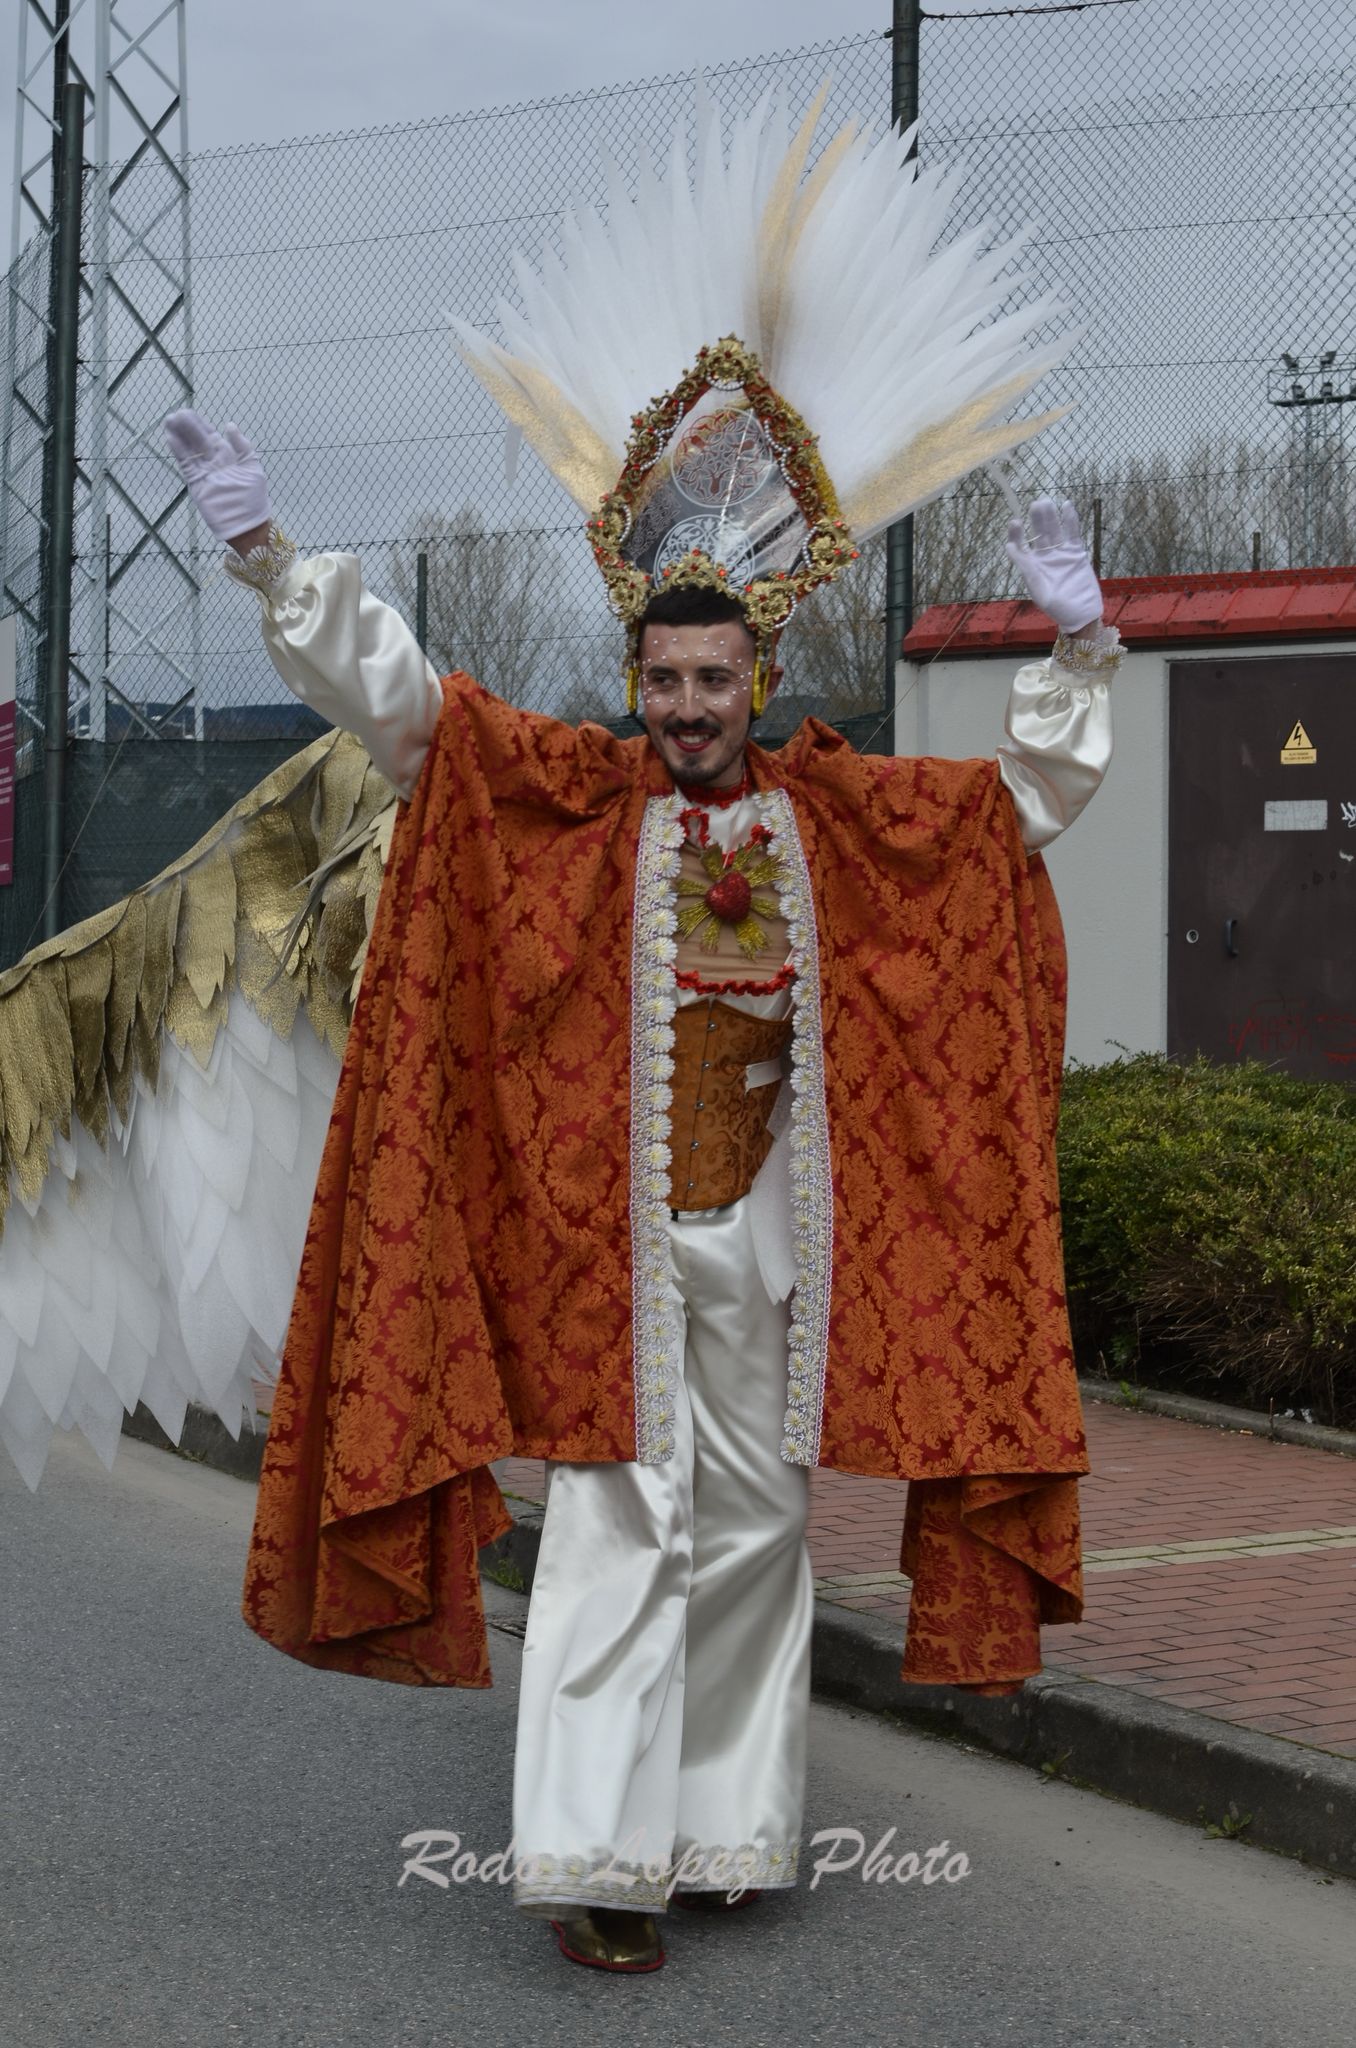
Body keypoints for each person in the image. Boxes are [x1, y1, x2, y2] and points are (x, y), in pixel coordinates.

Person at [168, 93, 1125, 1976]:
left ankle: (726, 1828)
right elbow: (412, 716)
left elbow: (1011, 818)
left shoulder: (837, 809)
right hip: (610, 1247)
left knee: (759, 1535)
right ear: (636, 680)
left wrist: (1081, 661)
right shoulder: (572, 794)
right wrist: (274, 551)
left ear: (765, 677)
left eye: (715, 681)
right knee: (615, 1533)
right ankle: (598, 1861)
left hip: (774, 1243)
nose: (687, 706)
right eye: (663, 680)